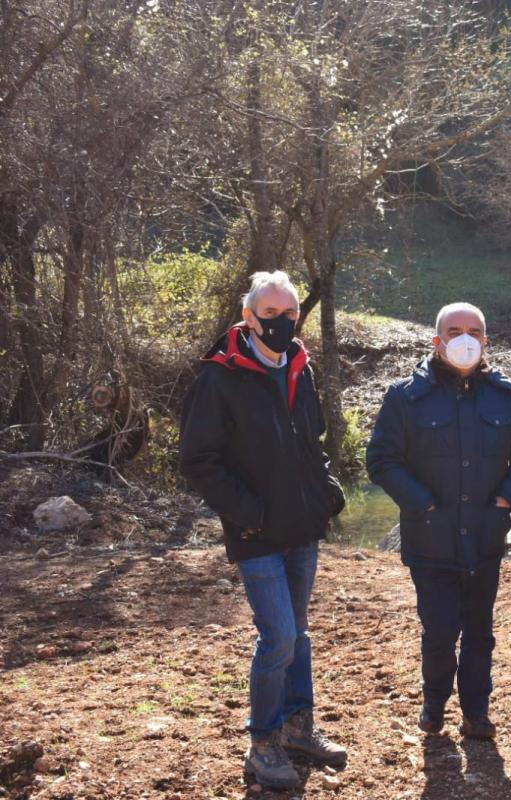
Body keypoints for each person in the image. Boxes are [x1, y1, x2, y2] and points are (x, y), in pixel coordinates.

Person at [180, 271, 348, 790]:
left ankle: (300, 728)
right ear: (249, 317)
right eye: (269, 314)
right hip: (255, 534)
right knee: (276, 636)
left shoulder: (301, 366)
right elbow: (198, 460)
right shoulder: (219, 376)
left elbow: (311, 440)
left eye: (290, 314)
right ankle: (264, 744)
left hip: (302, 527)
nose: (280, 323)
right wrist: (248, 513)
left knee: (297, 634)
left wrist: (327, 490)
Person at [367, 302, 511, 740]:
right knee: (441, 630)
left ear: (485, 341)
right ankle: (434, 703)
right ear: (437, 341)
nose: (464, 338)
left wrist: (507, 496)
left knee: (480, 630)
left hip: (486, 535)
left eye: (473, 331)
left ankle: (476, 711)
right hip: (431, 539)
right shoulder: (405, 397)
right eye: (454, 331)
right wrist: (421, 503)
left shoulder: (507, 395)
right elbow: (382, 459)